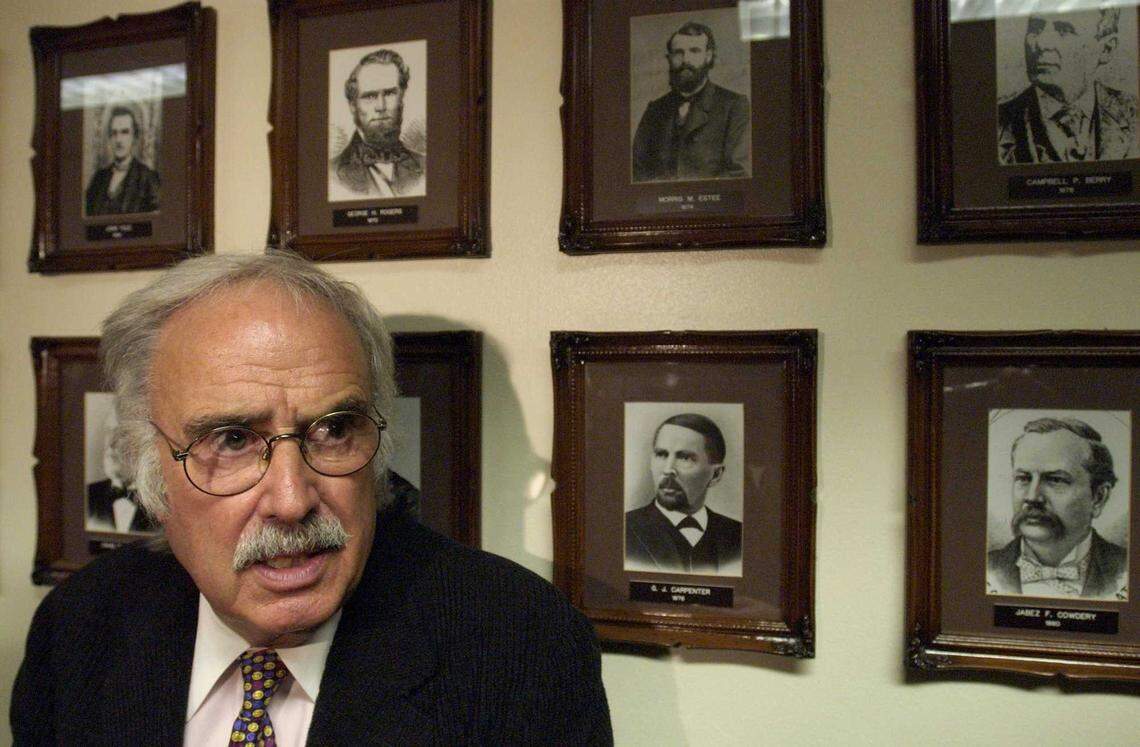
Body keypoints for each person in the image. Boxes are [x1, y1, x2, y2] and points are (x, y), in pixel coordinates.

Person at [12, 252, 611, 745]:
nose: (292, 500)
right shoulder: (79, 628)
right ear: (148, 468)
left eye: (334, 430)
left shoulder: (520, 647)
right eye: (232, 440)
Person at [987, 417, 1128, 600]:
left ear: (1098, 497)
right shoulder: (987, 567)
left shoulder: (1126, 570)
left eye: (1055, 480)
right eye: (1023, 478)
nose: (1032, 497)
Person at [997, 9, 1139, 164]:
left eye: (1064, 30)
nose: (1041, 43)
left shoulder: (1134, 115)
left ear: (1106, 50)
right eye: (1035, 29)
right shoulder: (997, 122)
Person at [632, 21, 750, 182]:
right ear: (669, 58)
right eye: (678, 53)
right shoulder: (655, 110)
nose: (685, 60)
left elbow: (739, 173)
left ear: (708, 56)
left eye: (694, 51)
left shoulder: (734, 106)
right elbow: (637, 171)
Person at [625, 413, 742, 574]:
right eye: (661, 454)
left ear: (716, 475)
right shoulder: (624, 529)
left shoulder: (739, 535)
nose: (668, 470)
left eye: (685, 458)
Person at [331, 49, 426, 198]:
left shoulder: (426, 168)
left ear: (402, 98)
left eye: (389, 93)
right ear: (353, 106)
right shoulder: (331, 173)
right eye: (370, 96)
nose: (381, 106)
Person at [84, 105, 161, 215]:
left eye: (125, 132)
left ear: (134, 137)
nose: (118, 140)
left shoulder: (148, 179)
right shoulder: (98, 179)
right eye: (114, 133)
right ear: (109, 138)